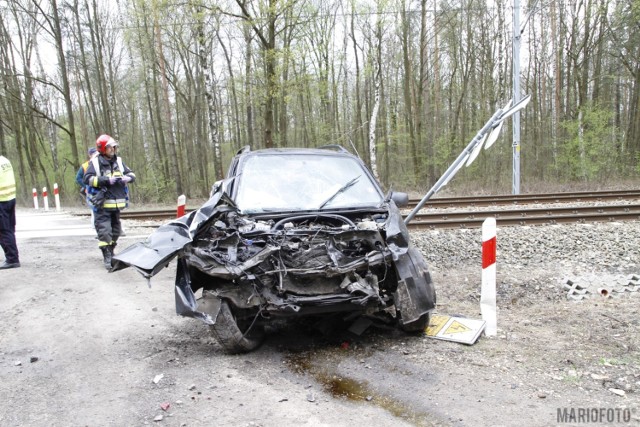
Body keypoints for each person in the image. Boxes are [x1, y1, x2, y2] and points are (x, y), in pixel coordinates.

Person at [83, 134, 136, 270]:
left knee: (116, 231)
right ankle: (107, 255)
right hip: (102, 205)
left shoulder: (118, 161)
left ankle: (111, 251)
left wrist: (127, 178)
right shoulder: (95, 163)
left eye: (114, 147)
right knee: (105, 232)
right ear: (103, 149)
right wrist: (105, 180)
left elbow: (132, 175)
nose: (113, 149)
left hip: (116, 204)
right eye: (110, 147)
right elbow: (87, 179)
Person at [0, 154, 20, 269]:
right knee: (9, 230)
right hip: (10, 199)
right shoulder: (4, 160)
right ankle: (12, 257)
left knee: (3, 231)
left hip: (1, 200)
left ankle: (12, 258)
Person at [76, 147, 99, 231]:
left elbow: (78, 178)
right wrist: (86, 186)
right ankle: (94, 226)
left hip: (97, 189)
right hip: (91, 190)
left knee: (95, 209)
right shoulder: (85, 165)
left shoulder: (88, 165)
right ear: (90, 155)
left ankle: (96, 226)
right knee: (94, 209)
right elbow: (78, 178)